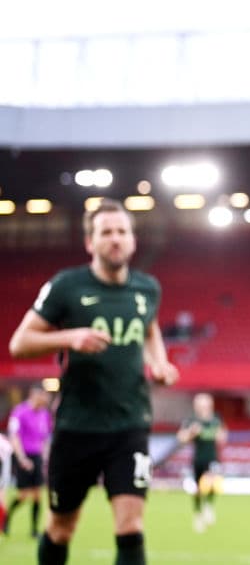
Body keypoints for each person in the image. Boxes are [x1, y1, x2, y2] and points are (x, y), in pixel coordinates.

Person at [8, 197, 179, 565]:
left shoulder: (147, 288)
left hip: (130, 425)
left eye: (122, 231)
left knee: (131, 526)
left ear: (133, 240)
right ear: (90, 242)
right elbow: (19, 343)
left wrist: (160, 363)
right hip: (77, 427)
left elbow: (149, 330)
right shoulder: (66, 286)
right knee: (60, 528)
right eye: (106, 232)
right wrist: (68, 337)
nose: (115, 239)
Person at [4, 385, 53, 539]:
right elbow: (14, 436)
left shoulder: (45, 414)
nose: (45, 399)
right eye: (43, 396)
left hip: (37, 457)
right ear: (34, 395)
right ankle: (6, 519)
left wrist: (46, 456)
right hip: (23, 456)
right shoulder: (20, 412)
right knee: (24, 495)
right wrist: (22, 458)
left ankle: (33, 530)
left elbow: (45, 438)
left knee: (38, 495)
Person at [176, 392, 227, 533]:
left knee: (212, 481)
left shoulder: (216, 419)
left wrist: (220, 436)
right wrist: (192, 433)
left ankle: (208, 506)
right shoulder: (191, 420)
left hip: (212, 457)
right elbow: (181, 438)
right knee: (197, 489)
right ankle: (198, 513)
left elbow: (223, 436)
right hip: (198, 458)